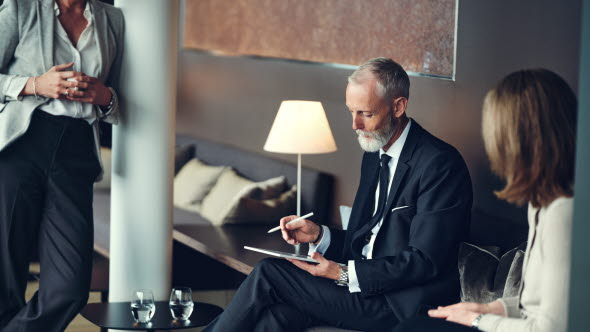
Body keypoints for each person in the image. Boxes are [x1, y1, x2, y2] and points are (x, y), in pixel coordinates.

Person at [203, 57, 473, 332]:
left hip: (399, 305)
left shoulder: (439, 164)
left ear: (398, 106)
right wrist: (320, 235)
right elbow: (366, 239)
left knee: (269, 273)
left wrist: (342, 273)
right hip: (363, 290)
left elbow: (424, 261)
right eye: (351, 112)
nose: (355, 124)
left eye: (366, 114)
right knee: (276, 318)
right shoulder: (374, 153)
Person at [393, 69, 577, 332]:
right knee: (415, 326)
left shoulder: (565, 213)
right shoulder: (541, 202)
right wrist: (490, 308)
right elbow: (537, 305)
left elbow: (551, 327)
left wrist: (478, 321)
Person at [0, 0, 124, 330]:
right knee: (4, 280)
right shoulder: (20, 9)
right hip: (20, 146)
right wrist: (33, 85)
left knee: (69, 287)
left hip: (76, 150)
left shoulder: (111, 19)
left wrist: (105, 97)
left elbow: (123, 100)